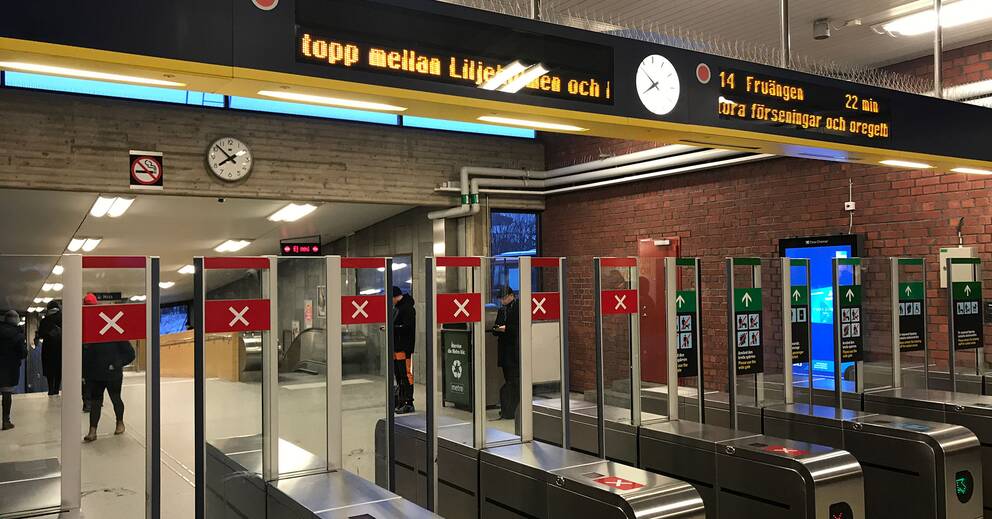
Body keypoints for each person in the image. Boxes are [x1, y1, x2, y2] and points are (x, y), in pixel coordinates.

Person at [83, 294, 135, 442]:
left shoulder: (113, 328)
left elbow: (130, 354)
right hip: (95, 374)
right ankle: (92, 431)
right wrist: (85, 373)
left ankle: (120, 422)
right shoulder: (88, 331)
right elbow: (86, 356)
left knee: (115, 398)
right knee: (95, 402)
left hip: (113, 374)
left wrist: (116, 364)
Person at [492, 286, 520, 420]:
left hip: (514, 350)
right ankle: (507, 408)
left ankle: (513, 408)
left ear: (511, 296)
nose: (502, 301)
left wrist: (506, 329)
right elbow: (494, 328)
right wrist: (498, 329)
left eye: (504, 298)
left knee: (514, 380)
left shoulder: (518, 308)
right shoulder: (502, 310)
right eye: (500, 299)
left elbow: (519, 327)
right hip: (504, 351)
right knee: (508, 379)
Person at [0, 310, 27, 430]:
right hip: (9, 368)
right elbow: (23, 353)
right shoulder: (18, 335)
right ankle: (6, 421)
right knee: (6, 394)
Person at [392, 286, 417, 414]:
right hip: (396, 347)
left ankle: (409, 402)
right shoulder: (397, 308)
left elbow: (407, 328)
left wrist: (392, 328)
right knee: (399, 374)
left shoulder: (408, 308)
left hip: (404, 348)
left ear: (395, 296)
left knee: (406, 374)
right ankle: (401, 400)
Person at [37, 300, 62, 395]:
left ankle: (50, 389)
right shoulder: (63, 318)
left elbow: (41, 334)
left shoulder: (45, 320)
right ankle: (56, 389)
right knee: (59, 368)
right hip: (60, 346)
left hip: (48, 348)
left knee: (49, 369)